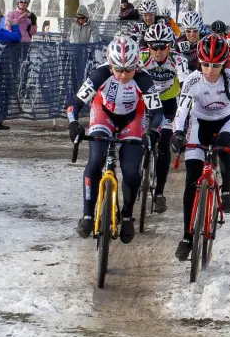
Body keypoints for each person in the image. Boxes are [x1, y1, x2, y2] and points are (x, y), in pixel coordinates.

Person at [67, 36, 164, 244]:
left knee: (130, 170)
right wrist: (73, 122)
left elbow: (157, 113)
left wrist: (154, 131)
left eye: (128, 70)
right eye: (118, 69)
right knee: (95, 161)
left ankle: (127, 216)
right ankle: (87, 215)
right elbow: (74, 104)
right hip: (103, 114)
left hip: (132, 118)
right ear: (110, 65)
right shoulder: (100, 74)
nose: (122, 75)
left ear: (136, 66)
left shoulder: (143, 79)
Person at [171, 34, 230, 261]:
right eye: (206, 64)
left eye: (216, 65)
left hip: (227, 120)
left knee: (225, 146)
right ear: (199, 63)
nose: (210, 70)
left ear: (224, 63)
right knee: (191, 179)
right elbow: (182, 111)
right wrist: (177, 133)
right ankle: (186, 237)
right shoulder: (193, 80)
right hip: (200, 122)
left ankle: (226, 191)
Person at [141, 23, 189, 213]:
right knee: (137, 140)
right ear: (148, 46)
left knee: (163, 147)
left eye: (163, 47)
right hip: (146, 101)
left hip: (169, 104)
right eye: (154, 47)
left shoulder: (178, 60)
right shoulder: (141, 57)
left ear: (170, 46)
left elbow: (186, 85)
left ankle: (159, 193)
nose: (159, 52)